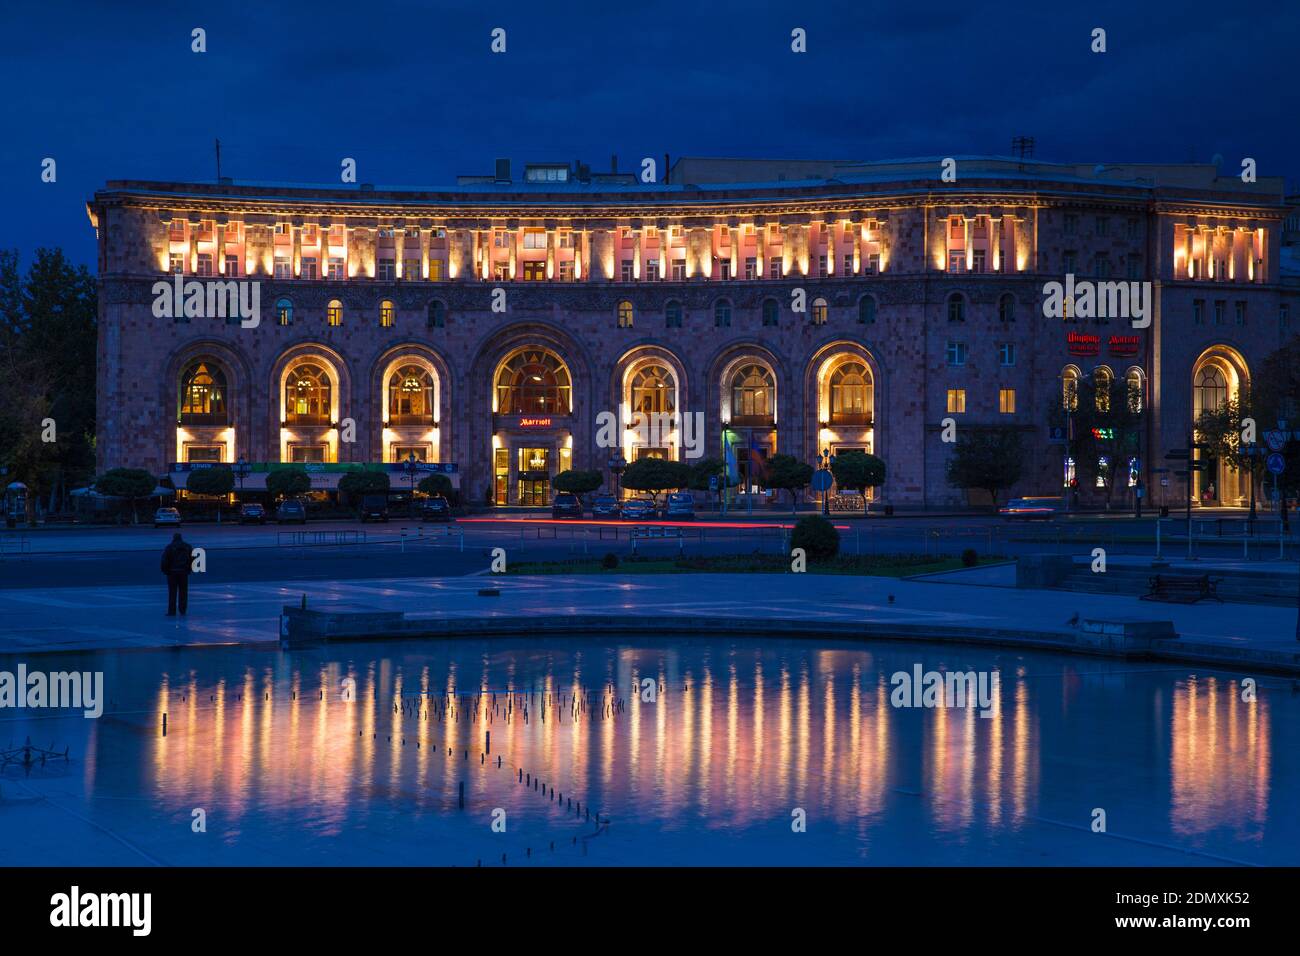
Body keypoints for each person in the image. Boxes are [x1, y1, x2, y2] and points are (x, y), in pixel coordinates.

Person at [160, 532, 194, 616]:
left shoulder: (169, 547)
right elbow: (192, 559)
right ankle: (182, 610)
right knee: (183, 592)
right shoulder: (188, 547)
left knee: (172, 592)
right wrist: (189, 569)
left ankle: (172, 611)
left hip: (172, 572)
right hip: (183, 572)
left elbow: (164, 561)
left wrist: (165, 571)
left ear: (173, 538)